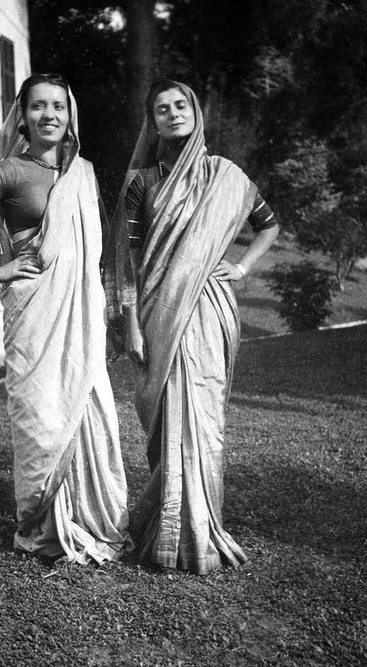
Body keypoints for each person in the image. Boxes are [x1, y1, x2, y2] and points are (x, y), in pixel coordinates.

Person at [0, 73, 131, 564]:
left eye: (58, 107)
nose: (49, 115)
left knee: (90, 410)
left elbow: (100, 254)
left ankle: (87, 518)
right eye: (38, 106)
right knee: (41, 418)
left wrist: (111, 312)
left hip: (79, 315)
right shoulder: (9, 171)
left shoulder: (82, 173)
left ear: (70, 117)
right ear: (22, 116)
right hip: (32, 310)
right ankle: (44, 525)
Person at [105, 79, 279, 575]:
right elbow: (129, 259)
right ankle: (166, 530)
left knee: (206, 424)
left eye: (181, 105)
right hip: (159, 314)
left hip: (210, 311)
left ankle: (200, 533)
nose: (173, 113)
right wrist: (132, 325)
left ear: (195, 112)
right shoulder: (142, 181)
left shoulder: (226, 176)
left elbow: (268, 224)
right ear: (153, 122)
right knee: (168, 424)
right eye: (162, 109)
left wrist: (242, 268)